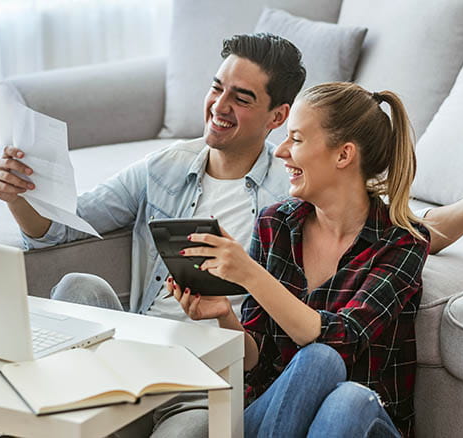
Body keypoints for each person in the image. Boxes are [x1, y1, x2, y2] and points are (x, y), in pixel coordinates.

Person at [0, 33, 463, 437]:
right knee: (78, 286)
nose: (219, 105)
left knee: (332, 378)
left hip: (250, 385)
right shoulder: (265, 216)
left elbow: (401, 245)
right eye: (217, 88)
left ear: (282, 119)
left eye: (243, 97)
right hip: (194, 363)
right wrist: (20, 197)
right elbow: (63, 228)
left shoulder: (311, 208)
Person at [168, 82, 426, 437]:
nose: (280, 152)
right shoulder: (277, 224)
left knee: (344, 394)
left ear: (343, 155)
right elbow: (256, 365)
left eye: (297, 139)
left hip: (361, 422)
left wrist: (251, 275)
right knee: (316, 361)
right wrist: (224, 314)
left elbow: (344, 340)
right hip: (278, 418)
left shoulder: (401, 243)